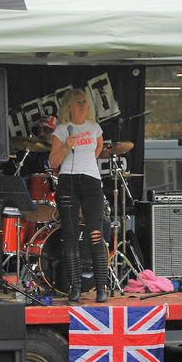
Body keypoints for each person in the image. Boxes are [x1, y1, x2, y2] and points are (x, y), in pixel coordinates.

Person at [48, 88, 108, 303]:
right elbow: (53, 162)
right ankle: (75, 288)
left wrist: (87, 163)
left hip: (91, 182)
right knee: (71, 236)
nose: (82, 105)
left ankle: (101, 288)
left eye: (84, 102)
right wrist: (66, 147)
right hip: (68, 182)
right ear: (69, 107)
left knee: (95, 233)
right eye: (78, 102)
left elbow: (99, 147)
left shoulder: (94, 128)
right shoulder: (62, 130)